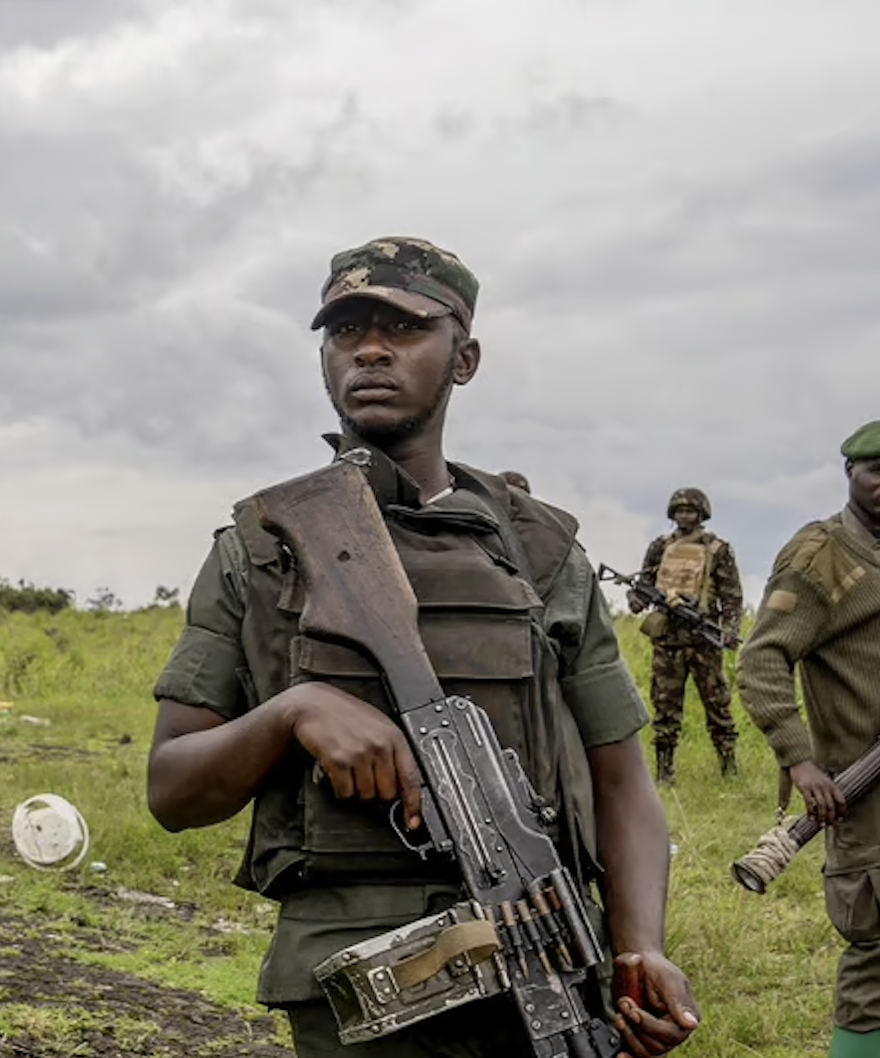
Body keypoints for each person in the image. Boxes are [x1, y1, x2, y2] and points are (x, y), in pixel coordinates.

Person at [146, 237, 699, 1057]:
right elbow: (172, 789)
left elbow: (622, 782)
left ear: (464, 358)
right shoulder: (259, 553)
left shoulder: (541, 554)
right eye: (345, 331)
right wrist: (292, 713)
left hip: (546, 952)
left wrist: (639, 946)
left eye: (402, 329)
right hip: (358, 984)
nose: (370, 348)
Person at [736, 421, 880, 1058]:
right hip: (865, 792)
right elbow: (762, 660)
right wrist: (801, 763)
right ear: (849, 473)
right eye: (876, 470)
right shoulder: (821, 556)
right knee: (875, 955)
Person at [626, 487, 744, 783]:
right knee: (665, 707)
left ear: (702, 515)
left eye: (690, 511)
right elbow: (643, 584)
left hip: (704, 639)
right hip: (668, 639)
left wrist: (730, 631)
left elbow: (731, 596)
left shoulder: (718, 550)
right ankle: (665, 771)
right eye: (679, 512)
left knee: (718, 705)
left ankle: (728, 766)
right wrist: (637, 600)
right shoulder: (660, 547)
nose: (684, 517)